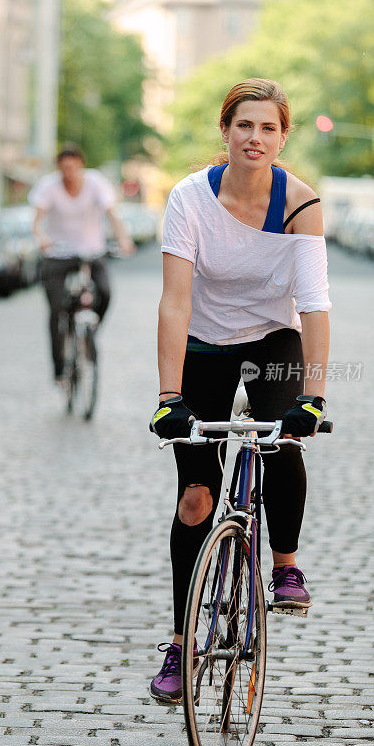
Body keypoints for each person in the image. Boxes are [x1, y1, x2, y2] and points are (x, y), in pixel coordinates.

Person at [148, 78, 331, 703]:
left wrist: (316, 396)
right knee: (195, 500)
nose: (255, 138)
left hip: (272, 340)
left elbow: (314, 306)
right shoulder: (188, 199)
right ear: (225, 131)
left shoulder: (301, 204)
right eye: (244, 125)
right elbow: (175, 300)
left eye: (269, 128)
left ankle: (284, 563)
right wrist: (170, 397)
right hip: (203, 344)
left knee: (283, 437)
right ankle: (180, 643)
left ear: (284, 137)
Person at [29, 146, 134, 382]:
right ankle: (59, 369)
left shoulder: (95, 182)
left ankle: (89, 332)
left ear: (81, 166)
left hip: (91, 252)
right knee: (56, 310)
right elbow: (36, 220)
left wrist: (123, 239)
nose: (69, 172)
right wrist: (41, 238)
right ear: (59, 168)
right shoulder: (49, 186)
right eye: (64, 168)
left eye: (74, 167)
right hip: (58, 254)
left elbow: (112, 214)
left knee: (105, 292)